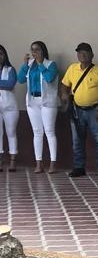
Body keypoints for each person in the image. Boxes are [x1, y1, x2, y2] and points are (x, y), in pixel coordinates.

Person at [59, 43, 98, 179]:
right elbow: (63, 85)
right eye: (80, 52)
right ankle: (79, 168)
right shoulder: (72, 69)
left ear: (92, 55)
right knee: (77, 140)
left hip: (95, 111)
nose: (82, 55)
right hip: (77, 111)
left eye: (85, 52)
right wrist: (64, 96)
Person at [18, 41, 59, 174]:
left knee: (49, 131)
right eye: (33, 50)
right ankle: (39, 163)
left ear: (43, 51)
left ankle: (53, 163)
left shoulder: (51, 64)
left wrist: (41, 64)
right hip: (32, 101)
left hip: (47, 101)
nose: (34, 53)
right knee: (37, 132)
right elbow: (20, 79)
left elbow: (49, 78)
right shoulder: (30, 65)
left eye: (37, 50)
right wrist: (24, 64)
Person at [0, 45, 19, 173]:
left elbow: (10, 83)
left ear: (5, 55)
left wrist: (5, 85)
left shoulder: (10, 69)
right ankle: (0, 160)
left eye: (1, 54)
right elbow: (5, 85)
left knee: (11, 133)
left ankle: (12, 161)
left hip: (10, 106)